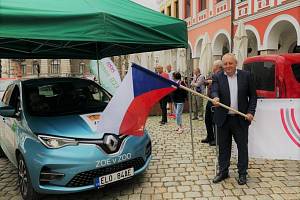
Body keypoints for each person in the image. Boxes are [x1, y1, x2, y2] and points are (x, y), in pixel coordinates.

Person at [211, 53, 257, 185]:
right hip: (223, 119)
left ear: (236, 63)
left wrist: (251, 112)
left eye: (230, 63)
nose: (228, 66)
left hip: (240, 119)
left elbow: (253, 96)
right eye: (225, 64)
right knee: (224, 147)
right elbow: (214, 90)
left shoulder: (246, 76)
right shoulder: (217, 77)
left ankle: (242, 173)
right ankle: (223, 171)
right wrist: (215, 97)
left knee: (242, 147)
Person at [201, 60, 223, 146]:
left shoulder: (221, 74)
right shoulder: (214, 75)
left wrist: (210, 82)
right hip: (210, 99)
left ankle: (217, 139)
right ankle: (210, 136)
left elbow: (218, 84)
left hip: (216, 101)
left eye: (213, 66)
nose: (212, 67)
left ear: (217, 67)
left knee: (215, 121)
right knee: (207, 120)